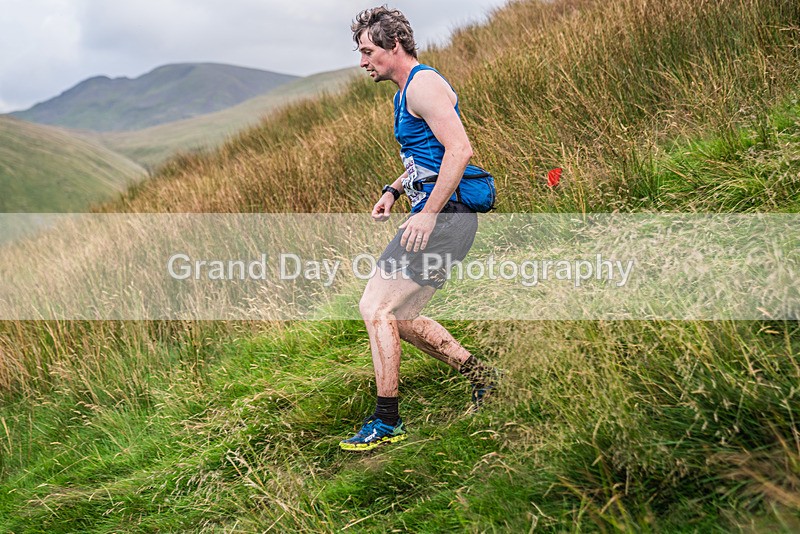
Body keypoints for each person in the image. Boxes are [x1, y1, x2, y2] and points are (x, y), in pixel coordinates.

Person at [340, 6, 499, 452]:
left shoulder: (424, 84)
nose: (362, 61)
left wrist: (427, 212)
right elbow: (424, 158)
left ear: (394, 46)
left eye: (368, 51)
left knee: (375, 308)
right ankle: (484, 377)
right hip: (441, 217)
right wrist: (392, 190)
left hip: (442, 219)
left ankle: (387, 421)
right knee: (401, 318)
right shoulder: (403, 93)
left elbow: (460, 148)